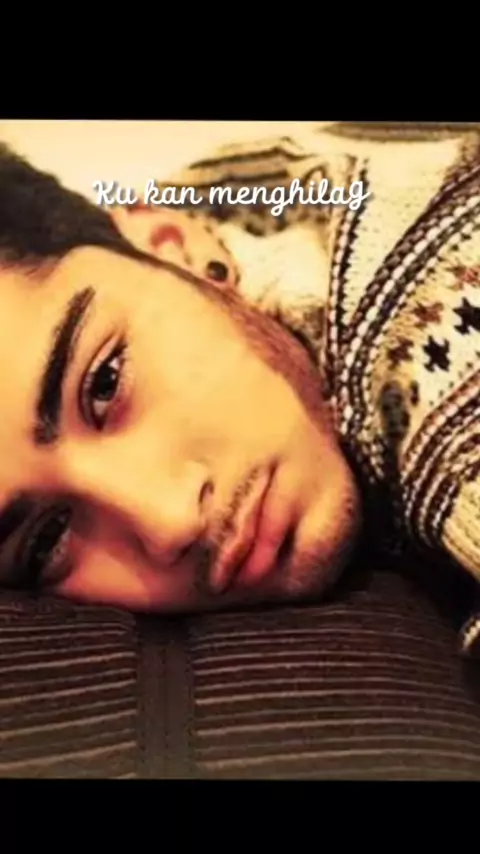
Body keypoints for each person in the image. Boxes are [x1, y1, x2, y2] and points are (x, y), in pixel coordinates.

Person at [0, 125, 479, 652]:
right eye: (46, 540)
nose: (170, 520)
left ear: (174, 247)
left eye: (105, 383)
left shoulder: (435, 286)